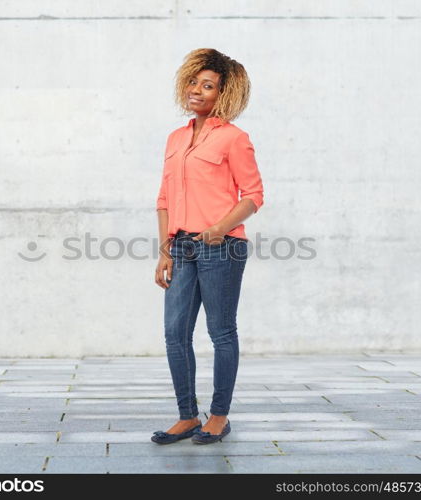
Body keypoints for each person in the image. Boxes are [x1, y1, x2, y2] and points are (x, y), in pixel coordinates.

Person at [152, 48, 264, 445]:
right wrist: (165, 250)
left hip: (222, 248)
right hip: (180, 247)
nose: (196, 90)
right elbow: (164, 198)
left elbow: (253, 195)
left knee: (221, 332)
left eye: (208, 86)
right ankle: (186, 416)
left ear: (224, 95)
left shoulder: (234, 139)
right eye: (194, 82)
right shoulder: (175, 138)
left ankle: (218, 416)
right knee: (174, 333)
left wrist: (219, 228)